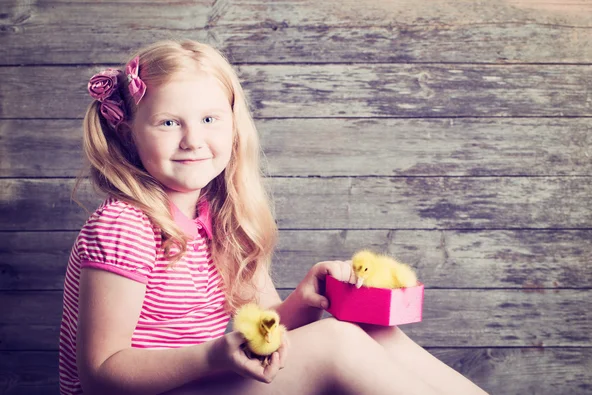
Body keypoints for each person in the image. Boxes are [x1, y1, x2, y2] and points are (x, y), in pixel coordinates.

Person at [59, 39, 487, 395]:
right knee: (333, 343)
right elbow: (101, 376)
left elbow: (269, 330)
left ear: (233, 127)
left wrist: (305, 298)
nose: (193, 140)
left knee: (367, 328)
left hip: (199, 382)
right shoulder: (123, 225)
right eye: (169, 122)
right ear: (128, 132)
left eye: (210, 119)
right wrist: (214, 355)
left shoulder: (221, 218)